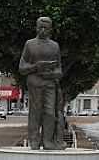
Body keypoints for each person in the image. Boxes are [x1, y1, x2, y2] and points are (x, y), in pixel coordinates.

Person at [19, 17, 65, 150]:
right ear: (36, 28)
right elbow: (22, 67)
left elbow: (59, 69)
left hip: (50, 83)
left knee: (50, 112)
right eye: (40, 27)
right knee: (35, 111)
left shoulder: (55, 46)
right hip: (34, 82)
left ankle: (47, 141)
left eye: (45, 28)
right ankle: (34, 140)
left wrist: (52, 74)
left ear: (50, 30)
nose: (42, 30)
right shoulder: (30, 44)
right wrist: (36, 67)